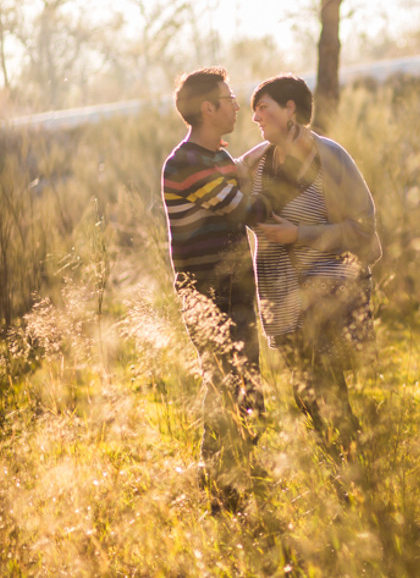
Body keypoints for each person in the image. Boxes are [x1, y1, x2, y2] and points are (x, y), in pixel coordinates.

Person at [237, 73, 382, 463]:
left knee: (325, 387)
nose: (255, 118)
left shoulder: (329, 157)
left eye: (262, 108)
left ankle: (353, 468)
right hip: (279, 300)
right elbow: (226, 186)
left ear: (290, 109)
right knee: (306, 394)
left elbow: (363, 226)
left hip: (326, 292)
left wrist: (298, 234)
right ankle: (345, 466)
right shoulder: (259, 163)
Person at [161, 66, 271, 513]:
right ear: (208, 108)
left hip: (236, 291)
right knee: (226, 386)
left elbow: (239, 185)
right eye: (229, 99)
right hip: (208, 297)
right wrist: (254, 186)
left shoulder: (218, 159)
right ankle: (220, 492)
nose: (237, 106)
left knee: (248, 387)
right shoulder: (186, 164)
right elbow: (245, 210)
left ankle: (243, 479)